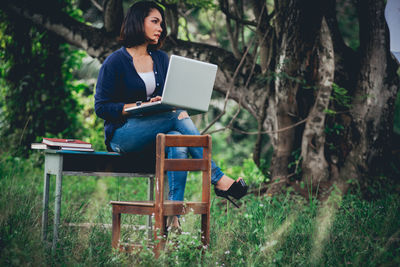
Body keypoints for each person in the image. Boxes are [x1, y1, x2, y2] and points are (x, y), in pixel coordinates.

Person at [95, 1, 247, 230]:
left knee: (178, 140)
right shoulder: (115, 61)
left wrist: (169, 104)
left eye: (162, 24)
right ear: (138, 22)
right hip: (122, 136)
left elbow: (168, 99)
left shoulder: (161, 60)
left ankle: (173, 215)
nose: (160, 28)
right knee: (174, 117)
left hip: (155, 136)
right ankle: (219, 179)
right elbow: (101, 107)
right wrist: (139, 105)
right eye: (155, 22)